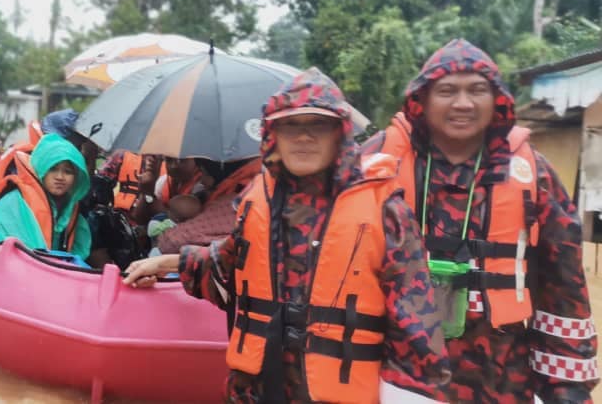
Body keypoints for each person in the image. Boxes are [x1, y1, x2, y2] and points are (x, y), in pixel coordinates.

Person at [124, 68, 449, 403]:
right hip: (257, 391)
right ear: (272, 134)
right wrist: (166, 262)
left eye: (318, 125)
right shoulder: (256, 201)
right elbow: (227, 266)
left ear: (340, 132)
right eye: (291, 125)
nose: (303, 137)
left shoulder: (386, 211)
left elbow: (416, 331)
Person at [362, 38, 598, 403]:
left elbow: (564, 290)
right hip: (396, 378)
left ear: (498, 100)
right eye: (446, 91)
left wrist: (567, 390)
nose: (463, 103)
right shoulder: (376, 161)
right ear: (421, 100)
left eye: (477, 90)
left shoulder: (534, 174)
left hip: (502, 380)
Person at [0, 134, 94, 264]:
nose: (60, 177)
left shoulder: (69, 208)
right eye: (52, 169)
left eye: (68, 172)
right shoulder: (13, 203)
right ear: (41, 169)